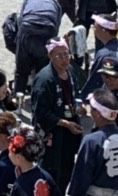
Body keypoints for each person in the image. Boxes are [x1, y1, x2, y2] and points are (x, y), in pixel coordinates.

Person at [31, 38, 84, 184]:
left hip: (70, 133)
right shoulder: (44, 80)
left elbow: (75, 96)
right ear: (50, 56)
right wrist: (64, 123)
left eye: (66, 54)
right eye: (59, 56)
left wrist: (80, 109)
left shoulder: (71, 72)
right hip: (53, 135)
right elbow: (40, 113)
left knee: (67, 171)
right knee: (51, 175)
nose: (64, 59)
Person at [5, 124, 61, 196]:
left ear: (18, 157)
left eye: (10, 151)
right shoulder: (46, 176)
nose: (8, 153)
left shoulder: (20, 186)